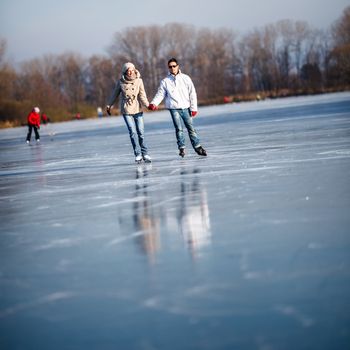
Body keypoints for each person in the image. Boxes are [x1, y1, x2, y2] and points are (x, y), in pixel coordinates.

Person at [148, 58, 207, 158]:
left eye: (174, 66)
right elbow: (160, 94)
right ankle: (182, 148)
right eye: (170, 67)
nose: (172, 68)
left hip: (186, 107)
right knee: (179, 129)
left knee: (191, 128)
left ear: (178, 66)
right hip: (174, 108)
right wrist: (154, 103)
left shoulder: (186, 78)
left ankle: (197, 147)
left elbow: (192, 93)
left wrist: (194, 108)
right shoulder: (165, 81)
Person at [106, 62, 152, 163]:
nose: (130, 72)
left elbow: (142, 95)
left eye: (132, 70)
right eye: (128, 70)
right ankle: (138, 154)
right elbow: (114, 94)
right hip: (126, 109)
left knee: (141, 132)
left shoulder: (139, 81)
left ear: (134, 70)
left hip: (137, 109)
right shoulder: (121, 82)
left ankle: (145, 153)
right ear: (125, 71)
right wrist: (109, 105)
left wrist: (148, 105)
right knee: (132, 132)